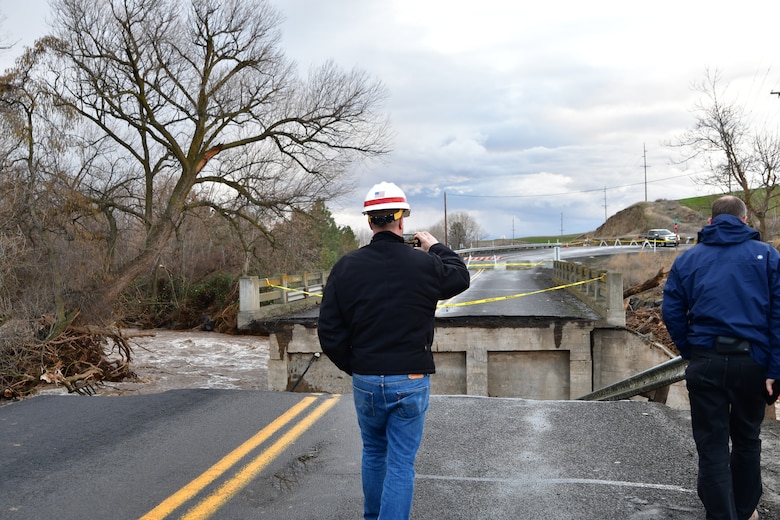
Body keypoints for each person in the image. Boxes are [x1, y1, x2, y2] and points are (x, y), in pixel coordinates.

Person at [318, 181, 470, 520]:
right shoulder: (424, 264)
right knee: (401, 463)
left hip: (367, 378)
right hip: (411, 377)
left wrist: (358, 364)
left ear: (370, 222)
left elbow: (329, 332)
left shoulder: (345, 267)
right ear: (402, 222)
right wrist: (435, 247)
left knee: (374, 453)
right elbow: (460, 276)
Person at [663, 195, 780, 520]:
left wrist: (693, 351)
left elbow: (671, 311)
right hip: (752, 363)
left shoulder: (689, 260)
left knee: (712, 444)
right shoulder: (768, 256)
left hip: (707, 362)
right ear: (744, 220)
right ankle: (743, 511)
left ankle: (722, 514)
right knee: (746, 440)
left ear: (711, 222)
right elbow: (778, 318)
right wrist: (775, 369)